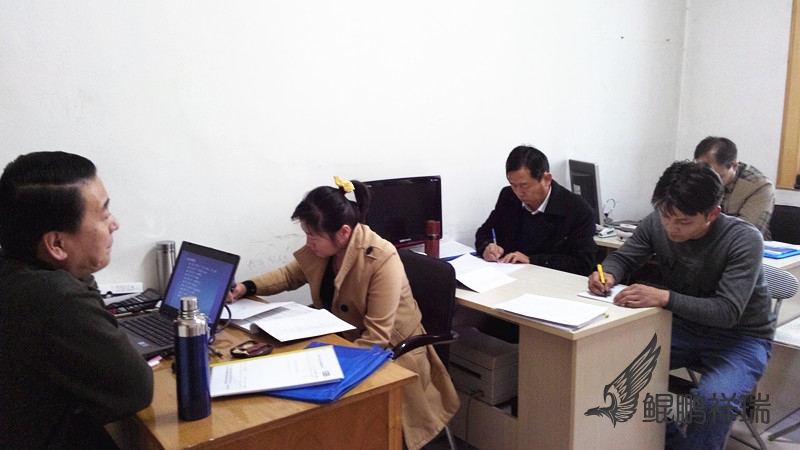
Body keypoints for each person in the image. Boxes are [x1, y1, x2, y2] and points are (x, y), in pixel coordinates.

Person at [229, 176, 459, 450]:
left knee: (320, 416)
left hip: (392, 355)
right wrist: (246, 287)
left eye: (313, 236)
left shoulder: (381, 258)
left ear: (344, 232)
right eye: (306, 234)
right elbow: (290, 275)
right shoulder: (326, 248)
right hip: (342, 342)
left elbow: (376, 338)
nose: (308, 242)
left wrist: (325, 368)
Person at [588, 160, 774, 449]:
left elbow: (727, 311)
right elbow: (624, 258)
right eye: (667, 216)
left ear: (713, 213)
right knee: (611, 366)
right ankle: (674, 443)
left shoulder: (744, 239)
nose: (672, 228)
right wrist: (608, 274)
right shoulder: (658, 221)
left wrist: (665, 297)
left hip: (741, 337)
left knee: (714, 401)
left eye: (684, 222)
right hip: (685, 327)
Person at [0, 152, 154, 449]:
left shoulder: (15, 272)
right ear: (57, 244)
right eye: (103, 214)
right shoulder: (53, 296)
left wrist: (75, 269)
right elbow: (136, 390)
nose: (115, 224)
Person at [475, 145, 598, 275]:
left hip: (550, 281)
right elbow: (484, 232)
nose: (518, 192)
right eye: (513, 185)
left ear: (547, 179)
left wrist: (532, 260)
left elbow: (582, 264)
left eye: (524, 186)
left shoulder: (576, 209)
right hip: (509, 276)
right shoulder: (508, 196)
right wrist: (487, 246)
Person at [694, 136, 775, 238]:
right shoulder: (693, 178)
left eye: (718, 177)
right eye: (703, 174)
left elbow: (746, 233)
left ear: (734, 166)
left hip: (742, 244)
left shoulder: (759, 186)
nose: (709, 182)